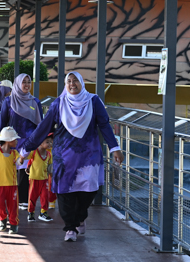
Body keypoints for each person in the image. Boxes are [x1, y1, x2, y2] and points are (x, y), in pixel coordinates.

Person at [25, 72, 124, 242]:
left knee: (89, 189)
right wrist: (27, 148)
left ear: (82, 82)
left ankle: (80, 216)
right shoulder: (59, 103)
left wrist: (115, 148)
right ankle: (70, 228)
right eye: (69, 81)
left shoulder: (93, 101)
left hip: (89, 156)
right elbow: (43, 127)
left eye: (75, 80)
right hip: (64, 157)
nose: (72, 84)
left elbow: (105, 125)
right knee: (64, 191)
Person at [0, 74, 42, 210]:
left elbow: (40, 124)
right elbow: (2, 122)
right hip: (12, 141)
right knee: (10, 170)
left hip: (29, 142)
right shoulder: (8, 101)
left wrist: (39, 140)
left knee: (24, 172)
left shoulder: (35, 102)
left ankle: (23, 200)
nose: (27, 85)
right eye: (24, 82)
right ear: (17, 84)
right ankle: (8, 197)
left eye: (29, 82)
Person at [27, 134, 54, 222]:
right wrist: (27, 166)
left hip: (44, 179)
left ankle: (43, 212)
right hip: (34, 179)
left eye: (50, 142)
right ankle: (31, 213)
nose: (50, 144)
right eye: (47, 142)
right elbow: (28, 158)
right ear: (40, 143)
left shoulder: (49, 154)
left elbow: (50, 167)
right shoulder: (34, 152)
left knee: (45, 196)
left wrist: (52, 177)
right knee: (32, 196)